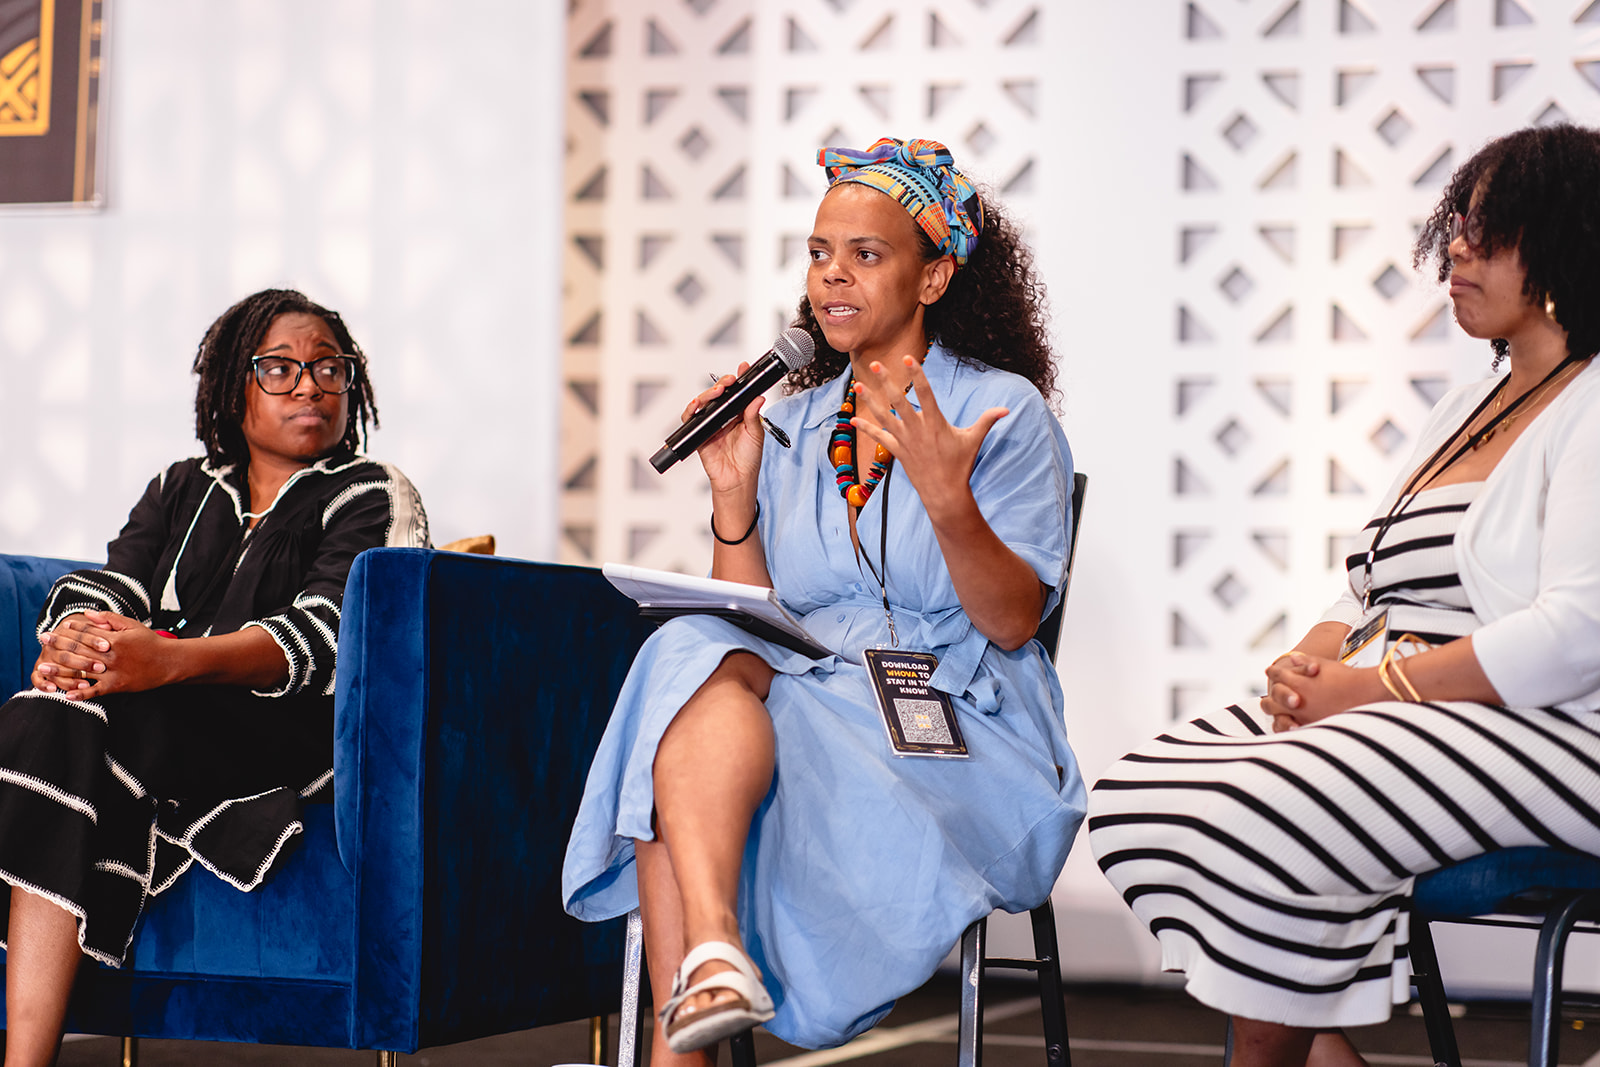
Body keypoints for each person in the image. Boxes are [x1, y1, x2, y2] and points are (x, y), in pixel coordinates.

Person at [1088, 123, 1600, 1067]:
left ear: (1569, 241)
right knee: (1139, 796)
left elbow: (1573, 637)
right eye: (1456, 223)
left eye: (1487, 229)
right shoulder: (1467, 407)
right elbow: (1369, 585)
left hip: (1555, 728)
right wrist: (1309, 664)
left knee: (1274, 806)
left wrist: (1367, 691)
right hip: (1406, 709)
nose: (1454, 247)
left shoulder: (1593, 402)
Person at [563, 137, 1083, 1061]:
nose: (830, 276)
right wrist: (733, 495)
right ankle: (714, 953)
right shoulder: (793, 422)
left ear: (933, 277)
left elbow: (1011, 622)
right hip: (816, 688)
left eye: (865, 254)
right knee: (683, 655)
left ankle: (681, 1032)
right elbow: (745, 623)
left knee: (674, 725)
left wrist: (948, 499)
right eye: (818, 253)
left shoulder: (1000, 412)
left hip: (959, 713)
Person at [1, 288, 429, 1067]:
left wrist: (165, 660)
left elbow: (327, 635)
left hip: (287, 735)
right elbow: (112, 583)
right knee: (54, 717)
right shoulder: (180, 486)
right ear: (235, 387)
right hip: (157, 727)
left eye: (329, 367)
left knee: (53, 724)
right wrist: (75, 637)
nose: (310, 386)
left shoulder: (371, 490)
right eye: (280, 368)